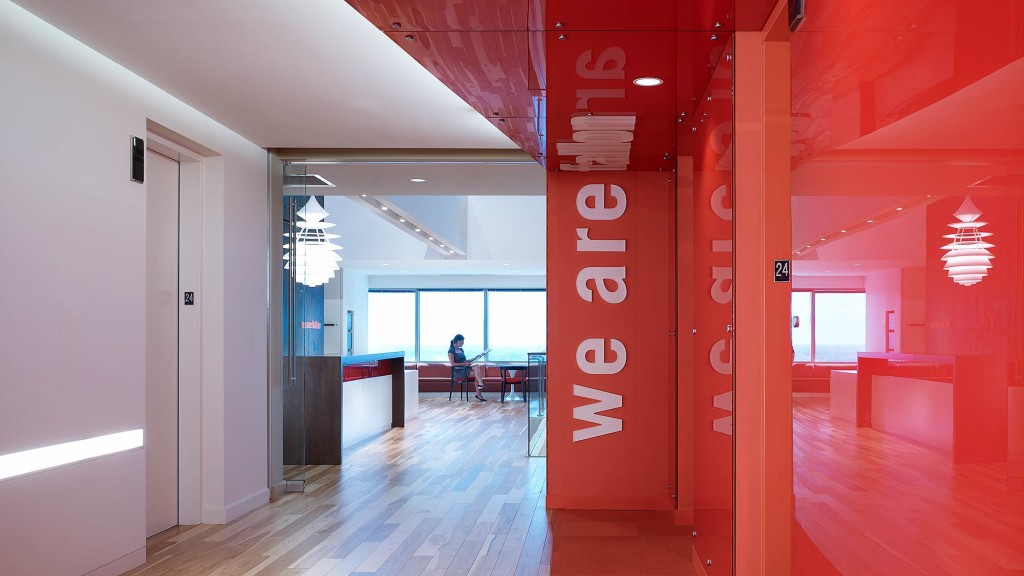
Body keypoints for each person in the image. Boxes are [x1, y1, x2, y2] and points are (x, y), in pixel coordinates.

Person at [448, 334, 487, 401]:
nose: (463, 343)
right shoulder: (451, 351)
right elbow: (453, 363)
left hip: (465, 369)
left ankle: (480, 386)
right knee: (478, 375)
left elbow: (466, 361)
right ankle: (479, 392)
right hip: (458, 372)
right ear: (457, 341)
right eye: (462, 341)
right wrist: (464, 364)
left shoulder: (461, 350)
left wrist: (475, 357)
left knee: (477, 367)